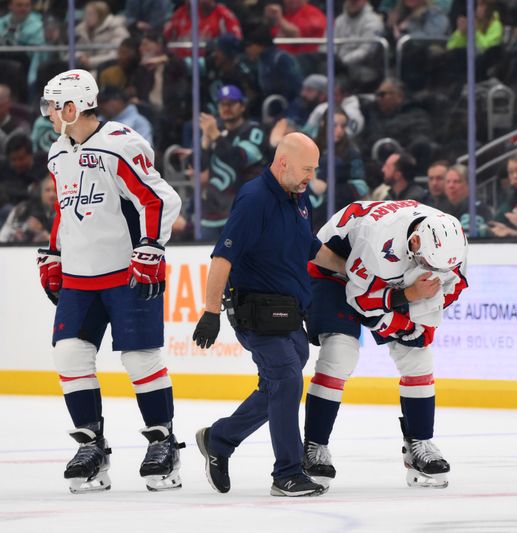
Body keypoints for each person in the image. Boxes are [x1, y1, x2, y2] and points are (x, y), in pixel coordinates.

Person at [37, 69, 183, 494]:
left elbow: (158, 199)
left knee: (140, 360)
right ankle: (91, 446)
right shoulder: (56, 152)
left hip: (125, 274)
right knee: (69, 358)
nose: (47, 113)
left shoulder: (120, 144)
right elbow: (65, 211)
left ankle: (163, 442)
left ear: (71, 107)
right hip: (80, 279)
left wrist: (152, 246)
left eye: (52, 105)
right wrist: (55, 253)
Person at [191, 132, 346, 497]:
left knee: (279, 382)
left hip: (290, 311)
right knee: (288, 380)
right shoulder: (254, 199)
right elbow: (222, 256)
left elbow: (308, 245)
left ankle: (220, 438)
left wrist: (347, 268)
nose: (311, 176)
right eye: (307, 169)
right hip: (257, 311)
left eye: (314, 169)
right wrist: (210, 311)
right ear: (282, 163)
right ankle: (287, 473)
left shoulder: (297, 196)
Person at [303, 201, 468, 489]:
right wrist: (403, 305)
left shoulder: (449, 244)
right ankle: (314, 445)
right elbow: (362, 303)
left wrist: (418, 322)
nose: (432, 270)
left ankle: (420, 442)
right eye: (428, 264)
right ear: (415, 242)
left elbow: (451, 288)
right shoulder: (378, 240)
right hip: (334, 272)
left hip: (383, 278)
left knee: (418, 355)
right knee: (340, 353)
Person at [198, 84, 268, 239]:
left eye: (231, 103)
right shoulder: (216, 131)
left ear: (242, 106)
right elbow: (199, 168)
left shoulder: (253, 131)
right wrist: (205, 141)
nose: (226, 108)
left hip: (241, 211)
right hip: (210, 214)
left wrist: (215, 136)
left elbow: (239, 159)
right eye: (222, 104)